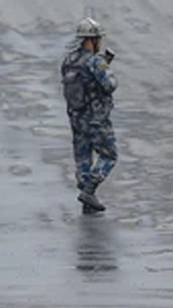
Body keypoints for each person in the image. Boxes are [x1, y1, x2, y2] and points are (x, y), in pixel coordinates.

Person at [61, 18, 117, 214]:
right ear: (93, 39)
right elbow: (110, 85)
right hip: (96, 118)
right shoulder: (95, 61)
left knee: (82, 157)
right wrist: (105, 66)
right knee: (109, 155)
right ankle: (90, 190)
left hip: (76, 117)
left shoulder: (69, 60)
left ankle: (87, 201)